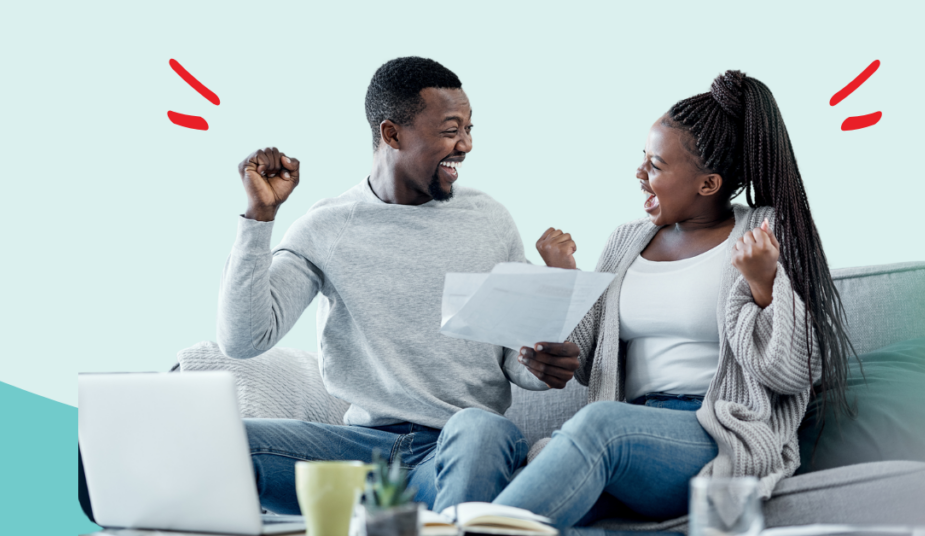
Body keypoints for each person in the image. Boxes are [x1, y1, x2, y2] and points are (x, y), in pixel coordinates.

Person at [216, 56, 582, 515]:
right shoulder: (326, 227)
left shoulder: (489, 221)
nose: (465, 145)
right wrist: (259, 217)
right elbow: (243, 339)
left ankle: (451, 517)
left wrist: (542, 366)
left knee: (483, 429)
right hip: (359, 455)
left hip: (459, 446)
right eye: (451, 130)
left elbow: (516, 360)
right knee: (224, 443)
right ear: (392, 134)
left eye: (470, 129)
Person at [495, 70, 855, 528]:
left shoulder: (764, 232)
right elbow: (586, 364)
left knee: (598, 426)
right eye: (642, 158)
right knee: (542, 483)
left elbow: (798, 371)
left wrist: (764, 287)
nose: (639, 174)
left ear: (708, 184)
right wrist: (565, 277)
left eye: (656, 166)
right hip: (633, 432)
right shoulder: (625, 242)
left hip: (714, 430)